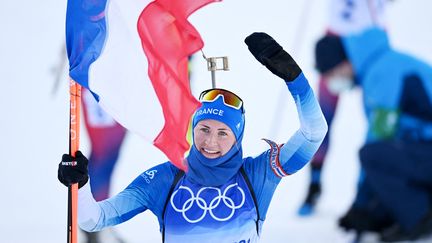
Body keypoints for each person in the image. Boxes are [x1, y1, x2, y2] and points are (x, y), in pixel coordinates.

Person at [57, 32, 328, 243]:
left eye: (223, 133)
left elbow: (314, 134)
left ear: (238, 138)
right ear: (193, 129)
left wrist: (295, 80)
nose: (211, 142)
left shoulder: (257, 175)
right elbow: (95, 219)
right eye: (204, 130)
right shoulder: (164, 179)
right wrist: (79, 185)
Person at [314, 27, 432, 242]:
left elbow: (380, 138)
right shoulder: (385, 65)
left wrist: (361, 205)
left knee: (372, 155)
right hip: (425, 149)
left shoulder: (383, 72)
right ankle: (393, 215)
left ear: (343, 63)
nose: (333, 83)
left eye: (332, 74)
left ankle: (420, 218)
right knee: (384, 156)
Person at [298, 0, 389, 216]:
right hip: (336, 41)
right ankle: (314, 186)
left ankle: (374, 193)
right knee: (321, 120)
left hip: (371, 45)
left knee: (380, 120)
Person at [80, 88, 128, 243]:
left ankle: (96, 220)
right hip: (99, 76)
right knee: (104, 153)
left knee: (108, 154)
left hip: (120, 77)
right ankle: (95, 223)